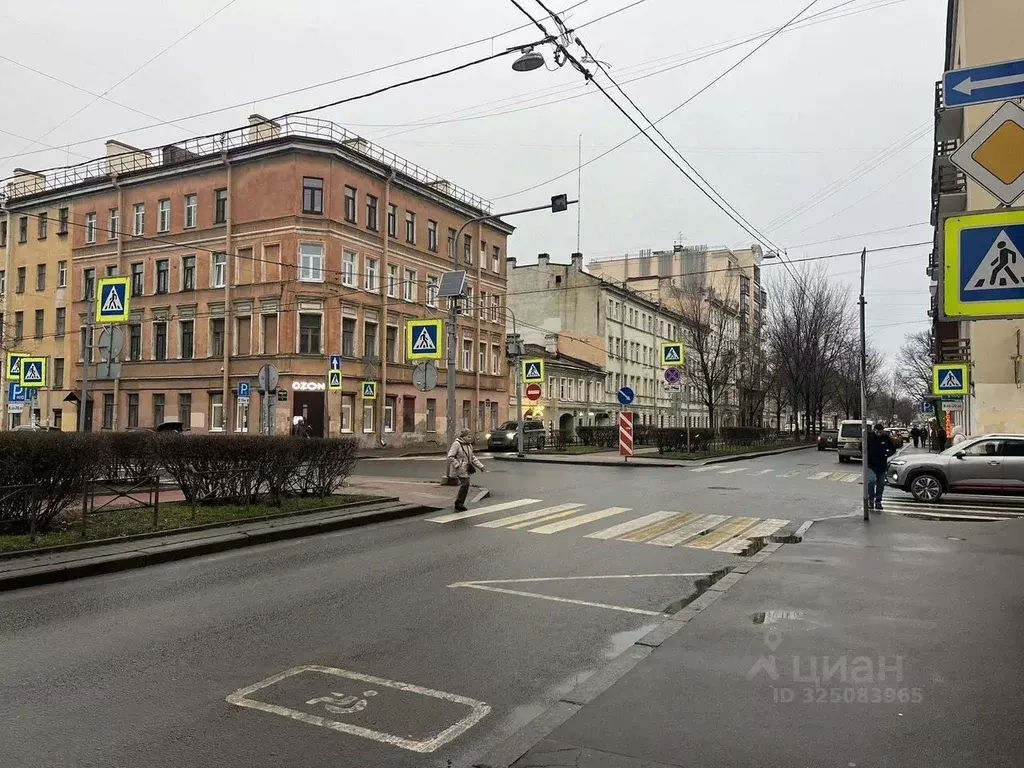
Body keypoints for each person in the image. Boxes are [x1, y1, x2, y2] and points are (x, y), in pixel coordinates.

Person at [448, 429, 487, 511]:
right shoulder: (457, 444)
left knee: (466, 485)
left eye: (470, 436)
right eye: (468, 437)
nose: (470, 438)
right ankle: (459, 503)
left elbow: (472, 458)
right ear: (463, 436)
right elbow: (450, 456)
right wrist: (457, 465)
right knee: (465, 484)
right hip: (459, 469)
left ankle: (459, 503)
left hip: (466, 469)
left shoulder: (469, 445)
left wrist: (481, 466)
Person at [866, 422, 896, 511]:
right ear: (874, 430)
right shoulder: (869, 438)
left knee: (881, 483)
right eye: (877, 431)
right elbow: (862, 447)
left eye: (880, 431)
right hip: (871, 464)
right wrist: (867, 455)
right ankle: (871, 500)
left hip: (882, 465)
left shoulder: (886, 438)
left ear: (882, 431)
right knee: (871, 482)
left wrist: (887, 454)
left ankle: (878, 501)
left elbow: (892, 448)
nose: (879, 433)